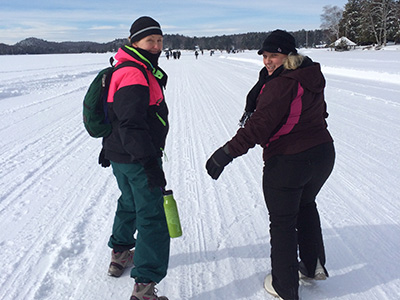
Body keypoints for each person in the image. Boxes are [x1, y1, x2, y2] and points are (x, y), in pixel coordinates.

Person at [205, 29, 335, 300]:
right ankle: (312, 266)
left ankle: (284, 286)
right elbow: (320, 112)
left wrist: (225, 153)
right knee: (306, 204)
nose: (267, 61)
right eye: (265, 55)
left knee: (283, 222)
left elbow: (259, 126)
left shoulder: (281, 83)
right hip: (322, 154)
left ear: (289, 55)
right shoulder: (309, 75)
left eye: (274, 55)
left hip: (289, 160)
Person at [98, 16, 170, 300]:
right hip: (138, 157)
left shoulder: (127, 66)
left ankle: (120, 254)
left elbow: (116, 116)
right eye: (150, 41)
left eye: (160, 41)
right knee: (152, 215)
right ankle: (145, 288)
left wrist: (110, 147)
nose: (156, 46)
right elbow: (131, 123)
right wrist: (150, 163)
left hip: (121, 155)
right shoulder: (135, 73)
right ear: (134, 42)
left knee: (128, 202)